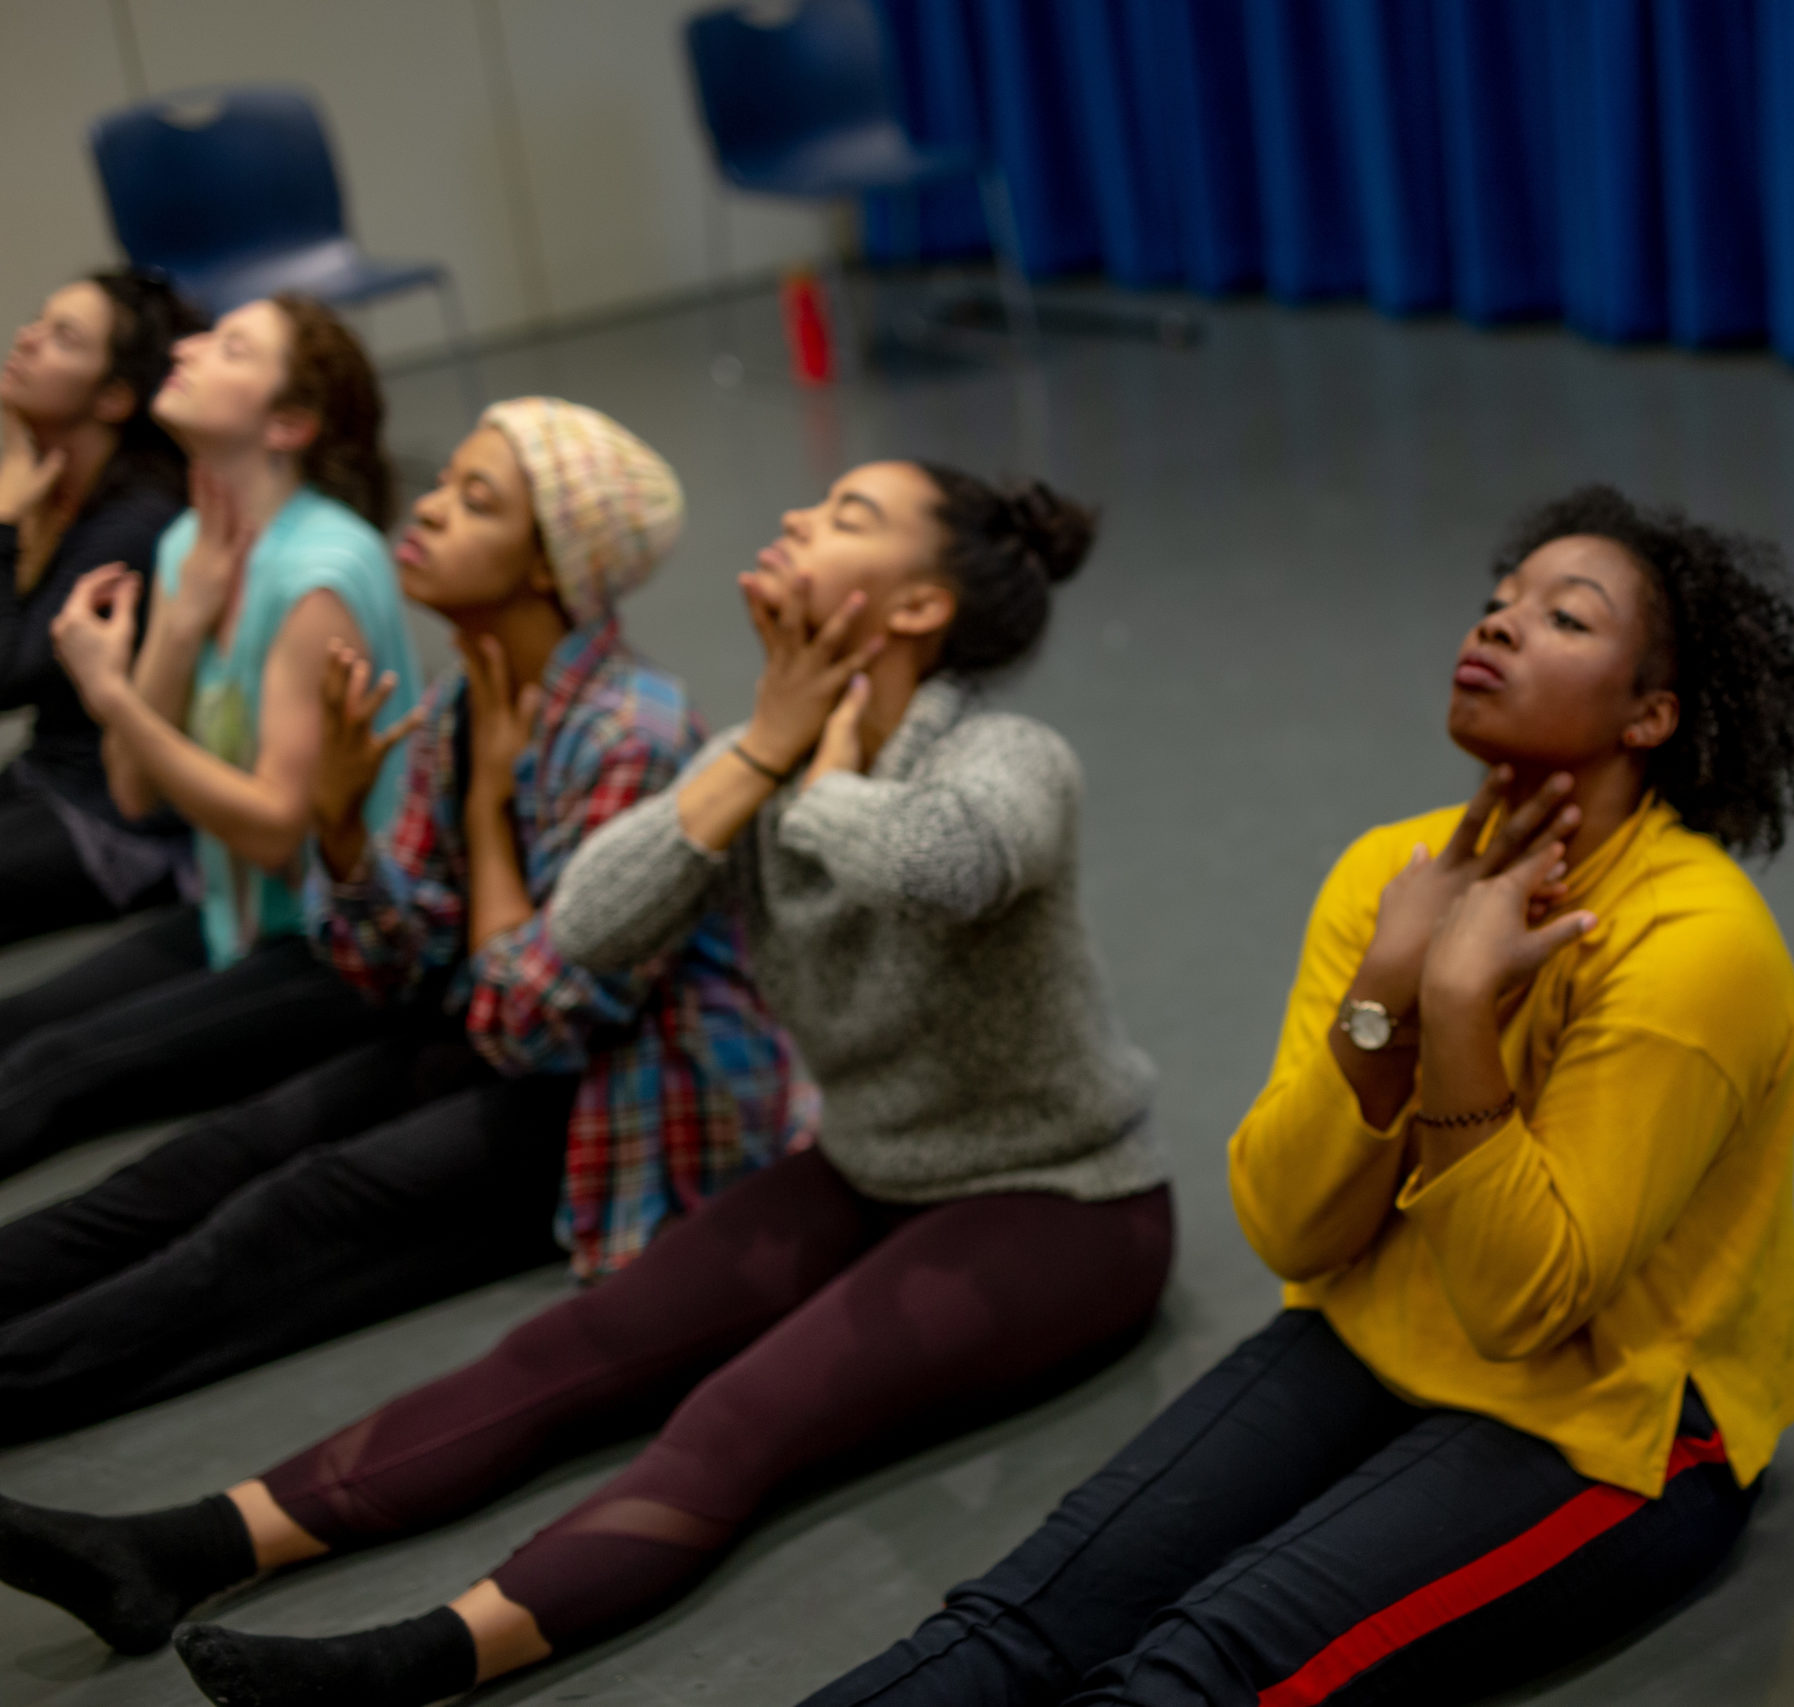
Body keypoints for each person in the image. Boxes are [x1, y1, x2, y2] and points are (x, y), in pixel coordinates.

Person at [0, 458, 1172, 1707]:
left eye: (845, 516)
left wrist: (805, 776)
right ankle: (175, 1549)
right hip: (866, 1165)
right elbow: (587, 927)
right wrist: (767, 754)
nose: (791, 514)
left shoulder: (1009, 752)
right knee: (566, 1351)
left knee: (741, 1416)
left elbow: (942, 864)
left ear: (919, 608)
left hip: (1060, 1198)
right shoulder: (751, 762)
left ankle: (423, 1661)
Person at [801, 484, 1794, 1706]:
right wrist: (1391, 987)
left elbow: (1525, 1304)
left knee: (1195, 1672)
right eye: (1497, 602)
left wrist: (1457, 1022)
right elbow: (1292, 1227)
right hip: (1375, 1331)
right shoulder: (1381, 880)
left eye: (1564, 619)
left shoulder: (1692, 942)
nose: (1497, 625)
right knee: (1015, 1623)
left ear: (1651, 713)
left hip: (1611, 1426)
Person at [0, 397, 801, 1440]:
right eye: (446, 485)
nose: (427, 512)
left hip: (609, 1098)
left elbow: (534, 1024)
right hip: (486, 1034)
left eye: (478, 504)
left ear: (553, 564)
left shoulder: (630, 737)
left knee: (287, 1217)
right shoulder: (468, 698)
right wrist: (341, 832)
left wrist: (485, 819)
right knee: (206, 1160)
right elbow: (392, 964)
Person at [0, 293, 418, 1181]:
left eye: (231, 349)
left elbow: (277, 828)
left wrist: (114, 694)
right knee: (17, 1026)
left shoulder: (318, 574)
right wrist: (181, 627)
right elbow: (132, 788)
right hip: (234, 915)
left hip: (331, 945)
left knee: (56, 1071)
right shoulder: (194, 539)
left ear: (289, 422)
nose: (188, 347)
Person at [0, 269, 203, 943]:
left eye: (64, 337)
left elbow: (10, 678)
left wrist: (3, 524)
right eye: (40, 321)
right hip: (48, 773)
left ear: (115, 397)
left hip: (116, 823)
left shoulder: (135, 522)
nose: (27, 339)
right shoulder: (53, 484)